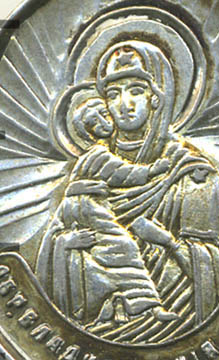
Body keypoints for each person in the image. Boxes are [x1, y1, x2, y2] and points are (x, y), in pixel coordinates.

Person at [35, 94, 178, 325]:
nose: (103, 123)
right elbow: (122, 173)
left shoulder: (96, 154)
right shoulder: (98, 154)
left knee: (113, 251)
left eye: (104, 114)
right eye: (94, 123)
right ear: (87, 132)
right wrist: (152, 170)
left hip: (85, 205)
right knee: (123, 246)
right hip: (85, 206)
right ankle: (147, 306)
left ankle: (125, 304)